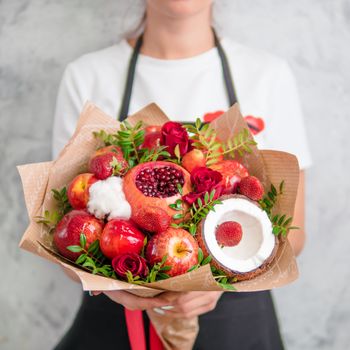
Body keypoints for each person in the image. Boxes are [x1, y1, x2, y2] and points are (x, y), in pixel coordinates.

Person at [52, 1, 311, 349]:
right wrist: (116, 284)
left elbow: (292, 235)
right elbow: (62, 234)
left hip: (238, 324)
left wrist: (217, 280)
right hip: (116, 325)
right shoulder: (89, 75)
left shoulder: (266, 75)